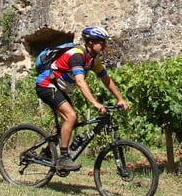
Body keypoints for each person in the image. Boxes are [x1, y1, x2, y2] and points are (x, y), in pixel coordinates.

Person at [34, 26, 130, 172]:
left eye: (104, 42)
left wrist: (120, 99)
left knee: (72, 121)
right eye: (101, 42)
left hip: (58, 88)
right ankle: (64, 158)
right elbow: (80, 82)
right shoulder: (77, 55)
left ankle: (48, 152)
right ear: (90, 43)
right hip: (46, 85)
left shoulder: (93, 60)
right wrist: (95, 103)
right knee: (71, 116)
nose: (104, 45)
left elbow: (106, 79)